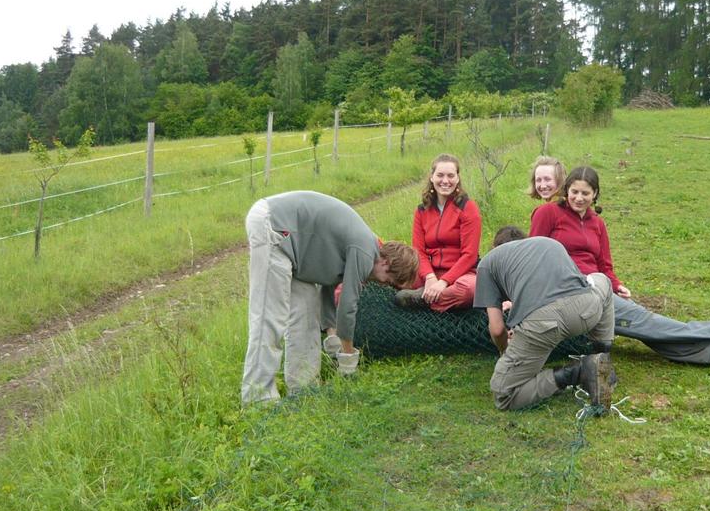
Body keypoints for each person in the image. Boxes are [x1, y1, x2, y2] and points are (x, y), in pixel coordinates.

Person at [529, 165, 710, 368]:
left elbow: (604, 265)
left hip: (599, 287)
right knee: (642, 319)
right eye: (574, 192)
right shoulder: (548, 213)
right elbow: (532, 256)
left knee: (639, 324)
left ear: (595, 194)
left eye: (585, 193)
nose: (579, 198)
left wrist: (617, 286)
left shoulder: (597, 223)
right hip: (570, 290)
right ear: (566, 190)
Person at [242, 190, 419, 405]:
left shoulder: (364, 248)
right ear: (386, 263)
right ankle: (258, 399)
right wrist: (348, 357)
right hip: (275, 226)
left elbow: (328, 290)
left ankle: (304, 389)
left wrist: (333, 337)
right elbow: (347, 306)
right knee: (269, 318)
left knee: (307, 317)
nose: (384, 285)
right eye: (390, 281)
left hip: (297, 255)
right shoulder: (365, 251)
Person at [474, 226, 618, 412]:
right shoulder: (548, 243)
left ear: (494, 247)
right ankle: (602, 357)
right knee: (602, 280)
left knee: (504, 395)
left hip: (544, 325)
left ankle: (577, 372)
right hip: (587, 310)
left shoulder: (488, 263)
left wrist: (505, 350)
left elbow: (496, 329)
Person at [395, 153, 483, 311]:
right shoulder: (422, 211)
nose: (445, 181)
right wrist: (430, 277)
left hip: (463, 274)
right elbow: (418, 251)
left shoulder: (468, 207)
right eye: (440, 175)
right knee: (399, 278)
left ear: (457, 178)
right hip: (431, 273)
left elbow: (469, 255)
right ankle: (431, 296)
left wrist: (444, 282)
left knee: (469, 291)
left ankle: (424, 300)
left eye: (451, 176)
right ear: (432, 177)